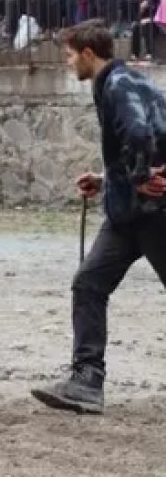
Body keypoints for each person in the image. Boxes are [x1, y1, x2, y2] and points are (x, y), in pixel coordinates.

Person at [31, 20, 166, 415]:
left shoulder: (118, 85)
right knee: (88, 283)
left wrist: (140, 179)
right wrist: (108, 181)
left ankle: (87, 380)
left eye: (70, 54)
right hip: (128, 215)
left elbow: (140, 136)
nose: (68, 62)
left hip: (154, 213)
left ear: (89, 54)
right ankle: (86, 381)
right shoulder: (127, 84)